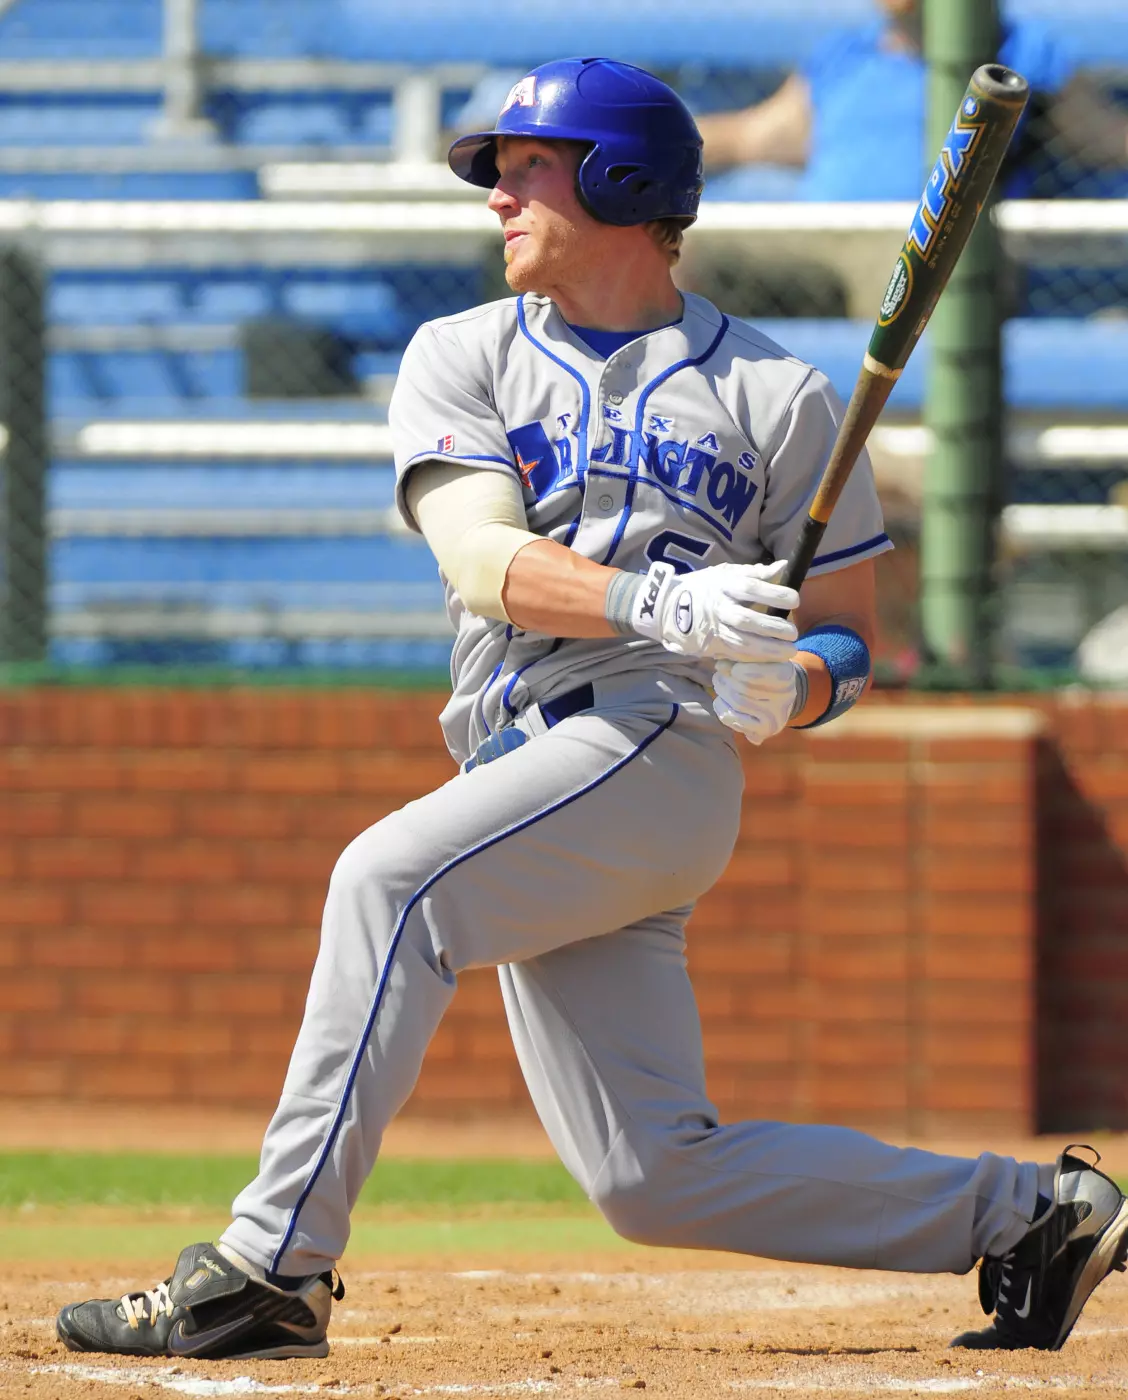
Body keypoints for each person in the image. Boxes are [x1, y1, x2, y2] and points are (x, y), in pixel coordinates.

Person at [55, 56, 1127, 1363]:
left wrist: (788, 690)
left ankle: (271, 1266)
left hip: (657, 752)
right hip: (528, 760)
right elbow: (478, 560)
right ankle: (1029, 1216)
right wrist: (668, 609)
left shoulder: (777, 394)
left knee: (388, 887)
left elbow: (856, 638)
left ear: (622, 180)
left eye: (524, 170)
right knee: (650, 1177)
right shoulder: (463, 355)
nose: (497, 198)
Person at [696, 0, 1128, 203]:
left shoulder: (1020, 49)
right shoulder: (845, 54)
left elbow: (1103, 138)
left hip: (938, 258)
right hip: (820, 247)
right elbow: (750, 137)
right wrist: (641, 137)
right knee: (681, 236)